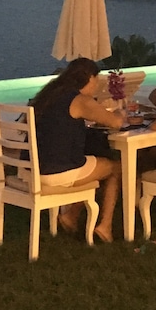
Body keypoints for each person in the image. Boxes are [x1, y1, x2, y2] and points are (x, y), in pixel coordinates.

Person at [29, 58, 125, 244]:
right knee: (115, 167)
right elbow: (115, 122)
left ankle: (71, 216)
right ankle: (105, 226)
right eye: (96, 81)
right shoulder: (79, 100)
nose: (96, 86)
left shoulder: (49, 96)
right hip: (57, 172)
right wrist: (120, 113)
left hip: (33, 169)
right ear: (89, 78)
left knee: (95, 164)